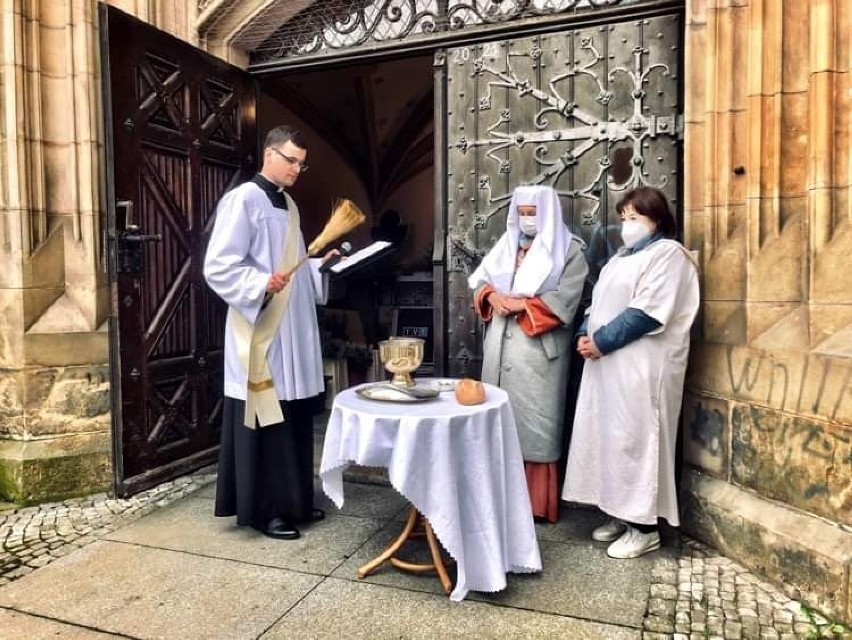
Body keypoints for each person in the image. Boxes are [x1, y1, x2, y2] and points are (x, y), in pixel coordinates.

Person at [204, 125, 337, 540]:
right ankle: (266, 510)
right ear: (269, 154)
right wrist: (259, 283)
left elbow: (292, 266)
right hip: (261, 327)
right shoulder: (243, 199)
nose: (298, 169)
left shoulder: (290, 207)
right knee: (266, 416)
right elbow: (219, 265)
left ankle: (295, 500)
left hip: (293, 327)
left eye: (302, 162)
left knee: (293, 414)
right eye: (291, 160)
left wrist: (319, 266)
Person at [561, 186, 699, 559]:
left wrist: (600, 342)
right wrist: (582, 335)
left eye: (635, 218)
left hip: (642, 369)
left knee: (638, 439)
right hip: (608, 367)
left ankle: (645, 527)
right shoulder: (620, 259)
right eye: (624, 218)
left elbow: (648, 311)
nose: (627, 225)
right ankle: (621, 514)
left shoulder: (669, 255)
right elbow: (596, 304)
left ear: (657, 220)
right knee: (611, 438)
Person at [469, 185, 588, 523]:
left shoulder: (569, 251)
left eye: (532, 213)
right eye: (521, 213)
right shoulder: (507, 246)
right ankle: (496, 499)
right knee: (496, 422)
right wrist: (491, 296)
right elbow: (482, 281)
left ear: (547, 212)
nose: (526, 219)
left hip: (537, 354)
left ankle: (535, 506)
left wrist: (520, 303)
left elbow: (566, 299)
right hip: (500, 348)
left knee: (535, 427)